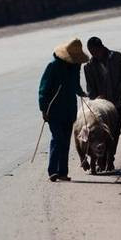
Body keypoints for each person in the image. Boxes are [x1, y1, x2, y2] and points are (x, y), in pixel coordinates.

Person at [39, 38, 88, 182]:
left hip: (69, 110)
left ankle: (63, 172)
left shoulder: (75, 67)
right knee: (58, 139)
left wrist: (81, 93)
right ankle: (52, 171)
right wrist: (43, 108)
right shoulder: (53, 67)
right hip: (54, 111)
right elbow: (43, 89)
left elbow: (75, 85)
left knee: (66, 141)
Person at [84, 37, 121, 170]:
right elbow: (90, 88)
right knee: (99, 133)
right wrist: (96, 98)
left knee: (115, 132)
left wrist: (117, 95)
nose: (93, 54)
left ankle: (110, 159)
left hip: (115, 104)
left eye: (95, 51)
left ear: (101, 47)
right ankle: (100, 160)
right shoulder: (88, 66)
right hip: (100, 108)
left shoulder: (116, 58)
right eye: (91, 52)